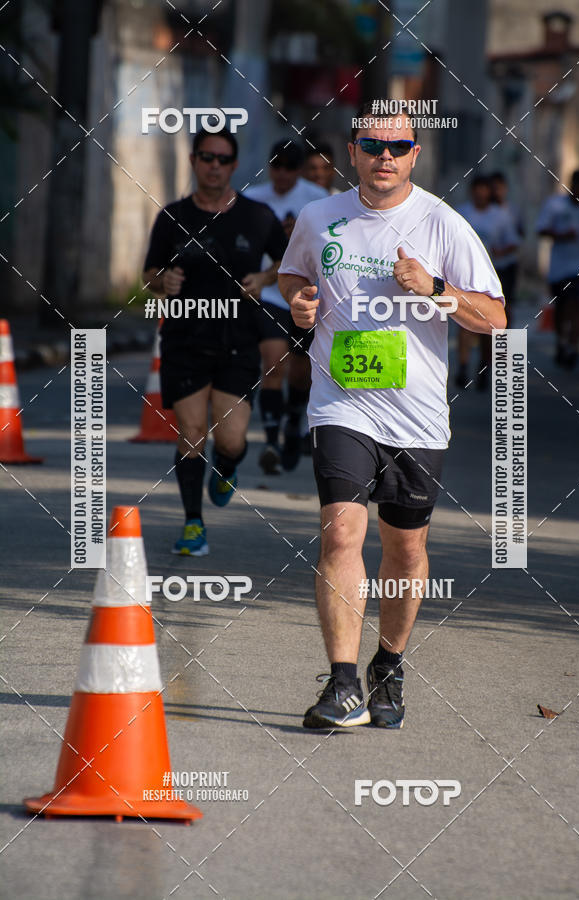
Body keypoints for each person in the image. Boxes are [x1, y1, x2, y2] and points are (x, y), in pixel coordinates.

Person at [278, 102, 506, 729]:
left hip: (417, 415)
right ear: (351, 151)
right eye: (372, 145)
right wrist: (298, 301)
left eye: (398, 147)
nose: (385, 157)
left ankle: (389, 664)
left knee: (405, 552)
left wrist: (435, 289)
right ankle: (343, 682)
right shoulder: (319, 215)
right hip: (341, 401)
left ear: (414, 156)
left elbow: (496, 319)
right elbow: (291, 273)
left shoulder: (442, 223)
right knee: (341, 533)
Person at [143, 127, 287, 556]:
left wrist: (264, 278)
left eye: (223, 159)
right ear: (193, 161)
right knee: (190, 432)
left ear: (234, 166)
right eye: (207, 157)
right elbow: (149, 273)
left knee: (231, 440)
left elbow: (288, 259)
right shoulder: (172, 216)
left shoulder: (258, 216)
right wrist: (161, 281)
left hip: (238, 343)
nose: (214, 166)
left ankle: (226, 467)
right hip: (185, 340)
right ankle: (192, 524)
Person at [244, 141, 328, 474]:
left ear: (299, 169)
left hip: (307, 295)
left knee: (301, 371)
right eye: (276, 167)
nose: (281, 175)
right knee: (273, 365)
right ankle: (271, 441)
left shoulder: (318, 200)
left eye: (289, 168)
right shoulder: (254, 198)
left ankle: (294, 421)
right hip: (271, 295)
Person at [456, 175, 519, 389]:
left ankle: (484, 367)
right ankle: (463, 368)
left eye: (484, 191)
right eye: (476, 190)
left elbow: (513, 243)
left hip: (496, 275)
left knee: (488, 327)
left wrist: (499, 251)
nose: (480, 195)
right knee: (464, 323)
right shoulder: (461, 213)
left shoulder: (500, 216)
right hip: (466, 277)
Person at [537, 169, 579, 369]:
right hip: (559, 267)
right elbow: (541, 229)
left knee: (577, 305)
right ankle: (561, 343)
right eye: (576, 187)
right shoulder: (555, 205)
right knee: (562, 307)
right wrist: (561, 235)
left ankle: (574, 348)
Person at [489, 171, 523, 328]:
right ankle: (492, 351)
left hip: (508, 265)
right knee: (490, 309)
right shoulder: (483, 211)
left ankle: (511, 349)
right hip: (490, 267)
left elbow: (519, 236)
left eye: (499, 188)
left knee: (508, 306)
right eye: (493, 188)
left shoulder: (512, 210)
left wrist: (502, 251)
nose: (496, 192)